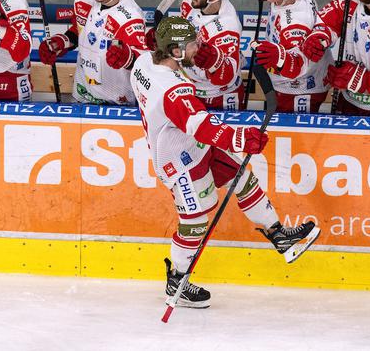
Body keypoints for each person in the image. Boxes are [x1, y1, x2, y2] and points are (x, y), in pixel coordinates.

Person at [131, 16, 320, 308]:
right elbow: (200, 124)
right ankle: (176, 281)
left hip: (192, 144)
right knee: (195, 223)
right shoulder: (171, 90)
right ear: (176, 51)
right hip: (177, 160)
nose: (199, 47)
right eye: (193, 43)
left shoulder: (145, 62)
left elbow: (196, 124)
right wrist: (241, 139)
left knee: (242, 175)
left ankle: (279, 235)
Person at [38, 0, 147, 105]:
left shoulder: (129, 17)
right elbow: (80, 31)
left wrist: (127, 57)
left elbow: (142, 62)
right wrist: (62, 42)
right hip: (81, 93)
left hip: (115, 101)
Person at [241, 0, 332, 113]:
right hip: (294, 83)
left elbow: (297, 66)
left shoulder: (294, 26)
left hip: (300, 90)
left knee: (295, 134)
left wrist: (280, 58)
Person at [179, 0, 244, 110]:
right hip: (191, 87)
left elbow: (226, 77)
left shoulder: (227, 27)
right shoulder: (191, 2)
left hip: (220, 97)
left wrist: (216, 62)